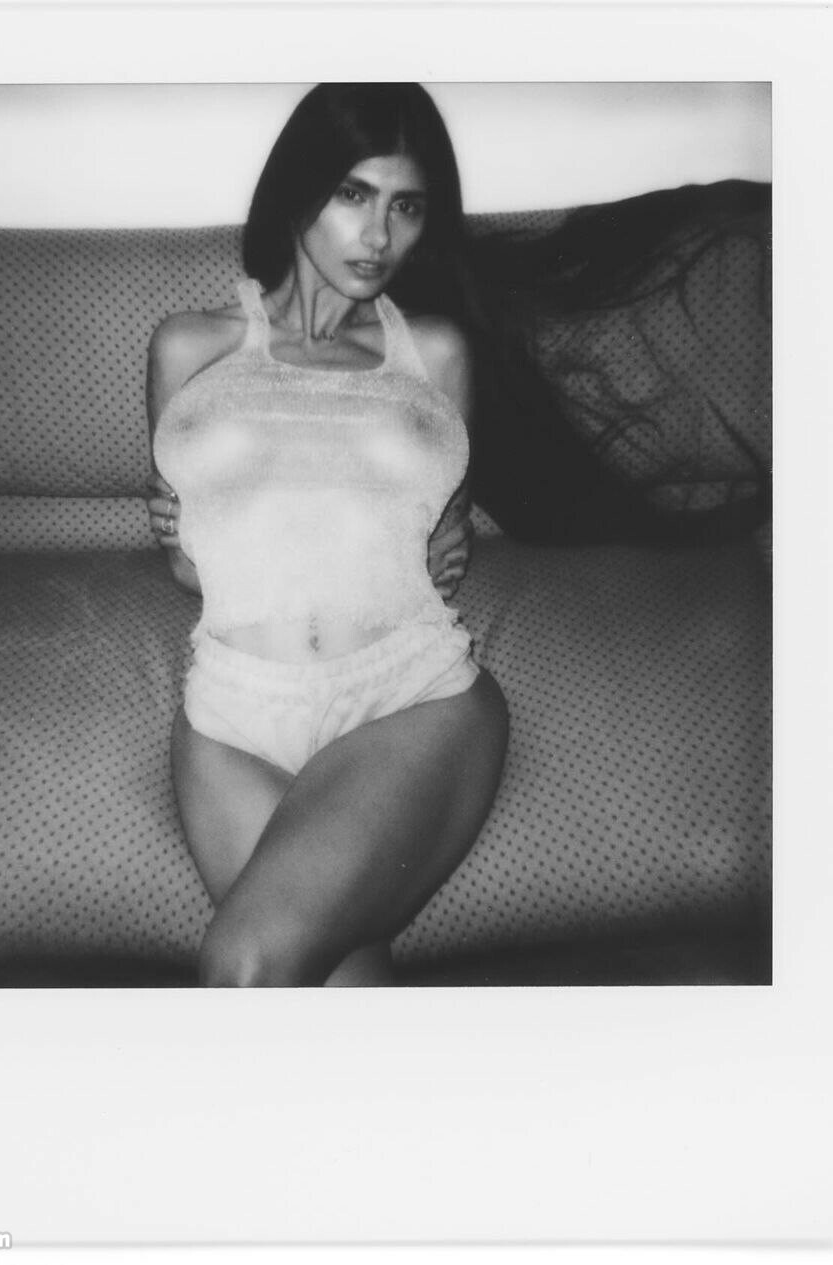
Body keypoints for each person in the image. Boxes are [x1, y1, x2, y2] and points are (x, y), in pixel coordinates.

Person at [146, 83, 509, 987]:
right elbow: (187, 554)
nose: (379, 235)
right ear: (298, 190)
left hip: (408, 697)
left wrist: (446, 536)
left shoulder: (435, 352)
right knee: (336, 994)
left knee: (247, 964)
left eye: (407, 206)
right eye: (354, 194)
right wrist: (192, 547)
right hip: (234, 715)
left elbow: (442, 529)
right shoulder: (189, 346)